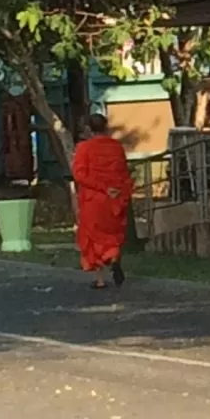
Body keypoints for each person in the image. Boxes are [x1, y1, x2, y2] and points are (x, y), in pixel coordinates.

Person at [71, 115, 133, 291]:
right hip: (114, 198)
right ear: (106, 127)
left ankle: (100, 280)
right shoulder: (117, 147)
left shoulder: (84, 148)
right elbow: (123, 172)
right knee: (112, 234)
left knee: (93, 238)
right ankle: (113, 257)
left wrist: (103, 188)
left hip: (94, 198)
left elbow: (80, 175)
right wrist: (120, 191)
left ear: (89, 129)